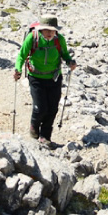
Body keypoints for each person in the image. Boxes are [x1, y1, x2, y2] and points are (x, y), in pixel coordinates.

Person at [14, 15, 76, 145]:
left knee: (53, 108)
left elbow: (64, 54)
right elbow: (22, 55)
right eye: (47, 30)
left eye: (52, 30)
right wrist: (17, 69)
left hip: (54, 77)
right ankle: (34, 126)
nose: (50, 33)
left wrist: (70, 61)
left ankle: (45, 136)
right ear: (41, 30)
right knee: (40, 108)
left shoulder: (59, 40)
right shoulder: (32, 38)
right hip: (36, 78)